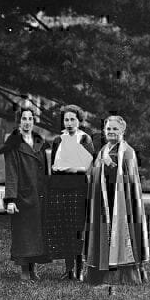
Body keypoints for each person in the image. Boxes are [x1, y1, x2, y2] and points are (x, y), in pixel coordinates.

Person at [84, 115, 149, 286]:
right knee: (103, 235)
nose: (111, 132)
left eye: (115, 129)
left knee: (119, 236)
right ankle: (100, 274)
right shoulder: (103, 150)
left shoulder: (127, 152)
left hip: (121, 205)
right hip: (104, 203)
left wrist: (110, 165)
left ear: (123, 131)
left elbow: (128, 180)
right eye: (109, 129)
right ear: (104, 131)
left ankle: (120, 276)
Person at [45, 104, 95, 279]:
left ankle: (80, 268)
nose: (69, 123)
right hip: (59, 188)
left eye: (72, 119)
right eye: (66, 119)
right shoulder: (58, 140)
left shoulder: (85, 139)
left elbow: (88, 166)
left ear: (79, 121)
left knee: (77, 228)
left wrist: (72, 168)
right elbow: (54, 166)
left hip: (78, 189)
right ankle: (69, 269)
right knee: (64, 226)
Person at [2, 107, 51, 281]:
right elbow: (11, 173)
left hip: (39, 195)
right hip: (22, 196)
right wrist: (11, 199)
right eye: (24, 118)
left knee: (37, 234)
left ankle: (33, 268)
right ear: (19, 121)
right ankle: (24, 269)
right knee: (24, 235)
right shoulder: (13, 143)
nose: (27, 122)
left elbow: (45, 170)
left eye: (30, 118)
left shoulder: (39, 141)